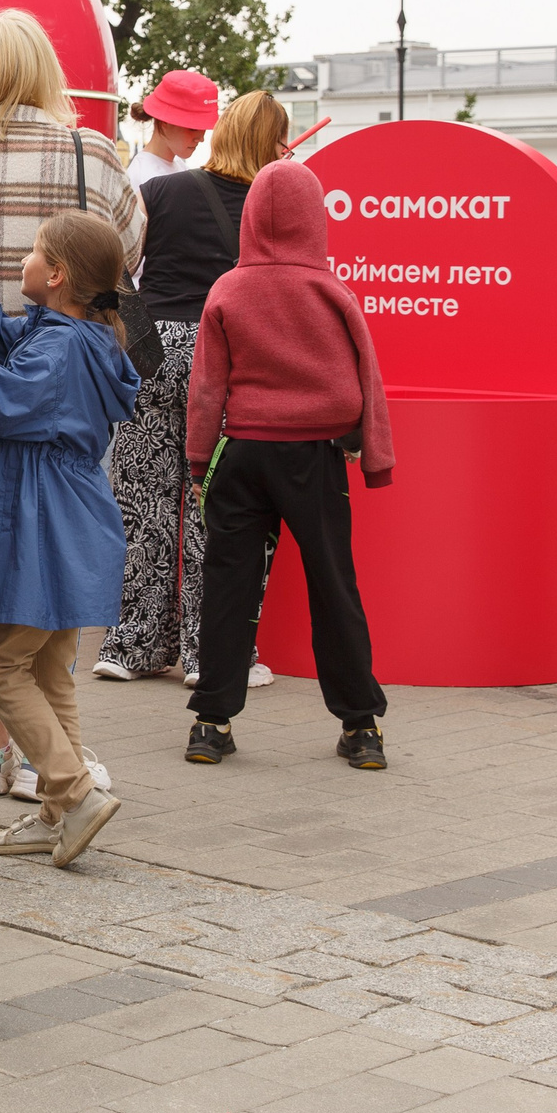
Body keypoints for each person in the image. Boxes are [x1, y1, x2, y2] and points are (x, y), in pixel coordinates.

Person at [0, 11, 142, 802]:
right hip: (72, 424)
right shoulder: (89, 152)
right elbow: (126, 257)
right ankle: (58, 775)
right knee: (42, 599)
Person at [182, 157, 394, 770]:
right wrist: (370, 452)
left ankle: (211, 721)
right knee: (333, 582)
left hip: (241, 452)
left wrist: (200, 463)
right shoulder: (332, 290)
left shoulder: (228, 289)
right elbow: (366, 377)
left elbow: (206, 388)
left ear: (249, 220)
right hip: (316, 454)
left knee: (228, 584)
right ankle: (361, 728)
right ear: (316, 222)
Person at [0, 212, 140, 867]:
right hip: (73, 517)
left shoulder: (58, 348)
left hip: (42, 521)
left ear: (57, 274)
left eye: (36, 252)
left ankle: (73, 790)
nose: (25, 260)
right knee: (49, 668)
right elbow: (20, 349)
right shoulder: (79, 338)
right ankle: (57, 816)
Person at [98, 91, 290, 685]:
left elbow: (119, 266)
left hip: (156, 352)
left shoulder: (160, 191)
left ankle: (130, 647)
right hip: (229, 356)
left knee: (143, 499)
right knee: (221, 507)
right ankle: (212, 655)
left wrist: (137, 339)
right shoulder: (273, 204)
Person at [128, 71, 218, 191]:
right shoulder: (143, 178)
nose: (201, 138)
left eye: (204, 128)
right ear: (165, 121)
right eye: (193, 128)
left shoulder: (178, 166)